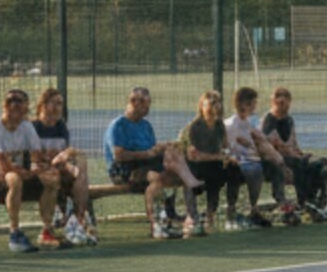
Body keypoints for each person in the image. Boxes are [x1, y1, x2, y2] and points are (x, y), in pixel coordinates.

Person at [0, 89, 53, 254]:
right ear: (4, 106)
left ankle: (47, 231)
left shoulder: (26, 126)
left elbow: (37, 158)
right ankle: (14, 233)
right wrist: (27, 172)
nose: (15, 106)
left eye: (19, 102)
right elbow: (3, 165)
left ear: (26, 107)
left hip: (18, 175)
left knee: (51, 179)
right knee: (14, 178)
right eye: (11, 102)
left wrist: (41, 168)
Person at [104, 86, 178, 237]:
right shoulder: (119, 125)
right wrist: (147, 154)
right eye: (145, 102)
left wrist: (161, 148)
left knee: (173, 169)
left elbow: (152, 151)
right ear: (133, 101)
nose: (148, 106)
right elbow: (119, 155)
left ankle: (170, 217)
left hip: (146, 165)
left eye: (149, 102)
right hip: (123, 169)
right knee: (158, 178)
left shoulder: (146, 125)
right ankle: (156, 224)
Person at [30, 87, 98, 246]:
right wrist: (50, 157)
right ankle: (78, 220)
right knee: (67, 173)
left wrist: (67, 156)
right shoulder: (33, 126)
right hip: (38, 172)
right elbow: (32, 157)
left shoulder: (61, 127)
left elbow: (62, 155)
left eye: (60, 104)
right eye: (55, 103)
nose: (58, 108)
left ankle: (80, 219)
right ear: (44, 105)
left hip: (57, 169)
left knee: (80, 161)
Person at [262, 87, 327, 220]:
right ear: (273, 102)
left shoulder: (289, 120)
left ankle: (320, 201)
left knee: (322, 164)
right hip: (275, 161)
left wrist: (303, 154)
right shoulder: (269, 121)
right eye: (279, 101)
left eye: (285, 101)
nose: (282, 104)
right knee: (299, 165)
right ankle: (304, 202)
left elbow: (294, 144)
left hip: (292, 157)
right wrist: (289, 160)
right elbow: (271, 148)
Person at [227, 87, 293, 228]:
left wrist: (271, 143)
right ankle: (245, 210)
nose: (255, 106)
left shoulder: (247, 123)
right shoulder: (232, 124)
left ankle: (281, 203)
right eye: (254, 103)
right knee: (255, 169)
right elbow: (229, 148)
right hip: (238, 164)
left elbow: (260, 141)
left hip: (251, 160)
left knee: (274, 166)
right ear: (245, 104)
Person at [173, 91, 232, 235]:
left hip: (211, 165)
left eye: (217, 103)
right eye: (210, 104)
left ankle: (210, 216)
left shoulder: (220, 126)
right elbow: (195, 157)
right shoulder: (195, 127)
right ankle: (192, 217)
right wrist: (218, 156)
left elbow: (225, 146)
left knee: (221, 174)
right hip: (191, 166)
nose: (214, 107)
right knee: (191, 179)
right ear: (201, 107)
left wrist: (226, 155)